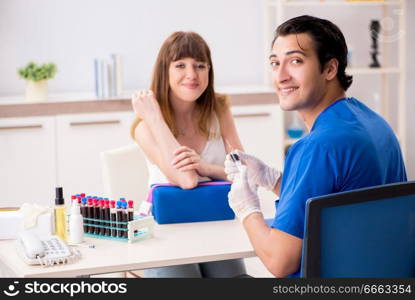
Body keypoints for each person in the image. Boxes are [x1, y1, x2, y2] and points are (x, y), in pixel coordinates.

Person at [224, 15, 407, 278]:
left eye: (296, 61)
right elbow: (338, 199)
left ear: (330, 69)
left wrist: (246, 208)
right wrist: (274, 180)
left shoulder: (318, 146)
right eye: (275, 63)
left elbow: (279, 262)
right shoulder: (374, 123)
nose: (281, 76)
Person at [130, 31, 247, 278]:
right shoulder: (145, 126)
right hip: (163, 231)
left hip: (214, 223)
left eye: (200, 65)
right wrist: (154, 117)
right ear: (165, 72)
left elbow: (245, 170)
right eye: (180, 65)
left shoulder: (219, 108)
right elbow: (187, 180)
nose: (192, 74)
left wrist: (207, 167)